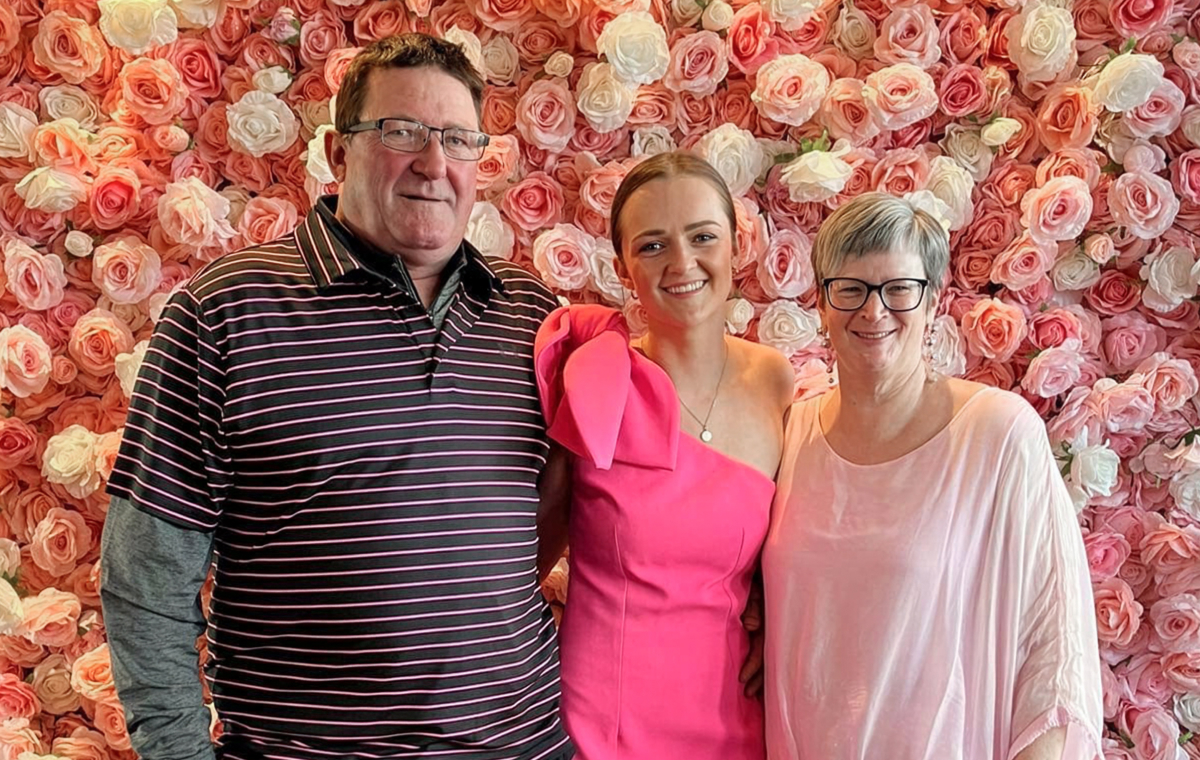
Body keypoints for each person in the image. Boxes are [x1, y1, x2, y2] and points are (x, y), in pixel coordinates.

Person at [100, 34, 573, 760]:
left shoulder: (531, 316)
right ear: (335, 150)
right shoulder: (227, 313)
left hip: (528, 746)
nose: (434, 163)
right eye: (401, 132)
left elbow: (564, 513)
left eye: (457, 138)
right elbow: (145, 580)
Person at [763, 192, 1104, 760]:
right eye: (850, 289)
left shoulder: (996, 434)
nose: (873, 312)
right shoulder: (790, 435)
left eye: (899, 289)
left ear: (934, 300)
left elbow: (1056, 645)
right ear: (820, 303)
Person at [534, 152, 794, 759]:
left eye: (702, 236)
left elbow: (791, 547)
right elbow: (528, 557)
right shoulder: (597, 379)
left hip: (733, 708)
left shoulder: (775, 381)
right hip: (604, 718)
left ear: (737, 245)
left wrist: (771, 612)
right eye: (652, 246)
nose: (682, 263)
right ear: (624, 268)